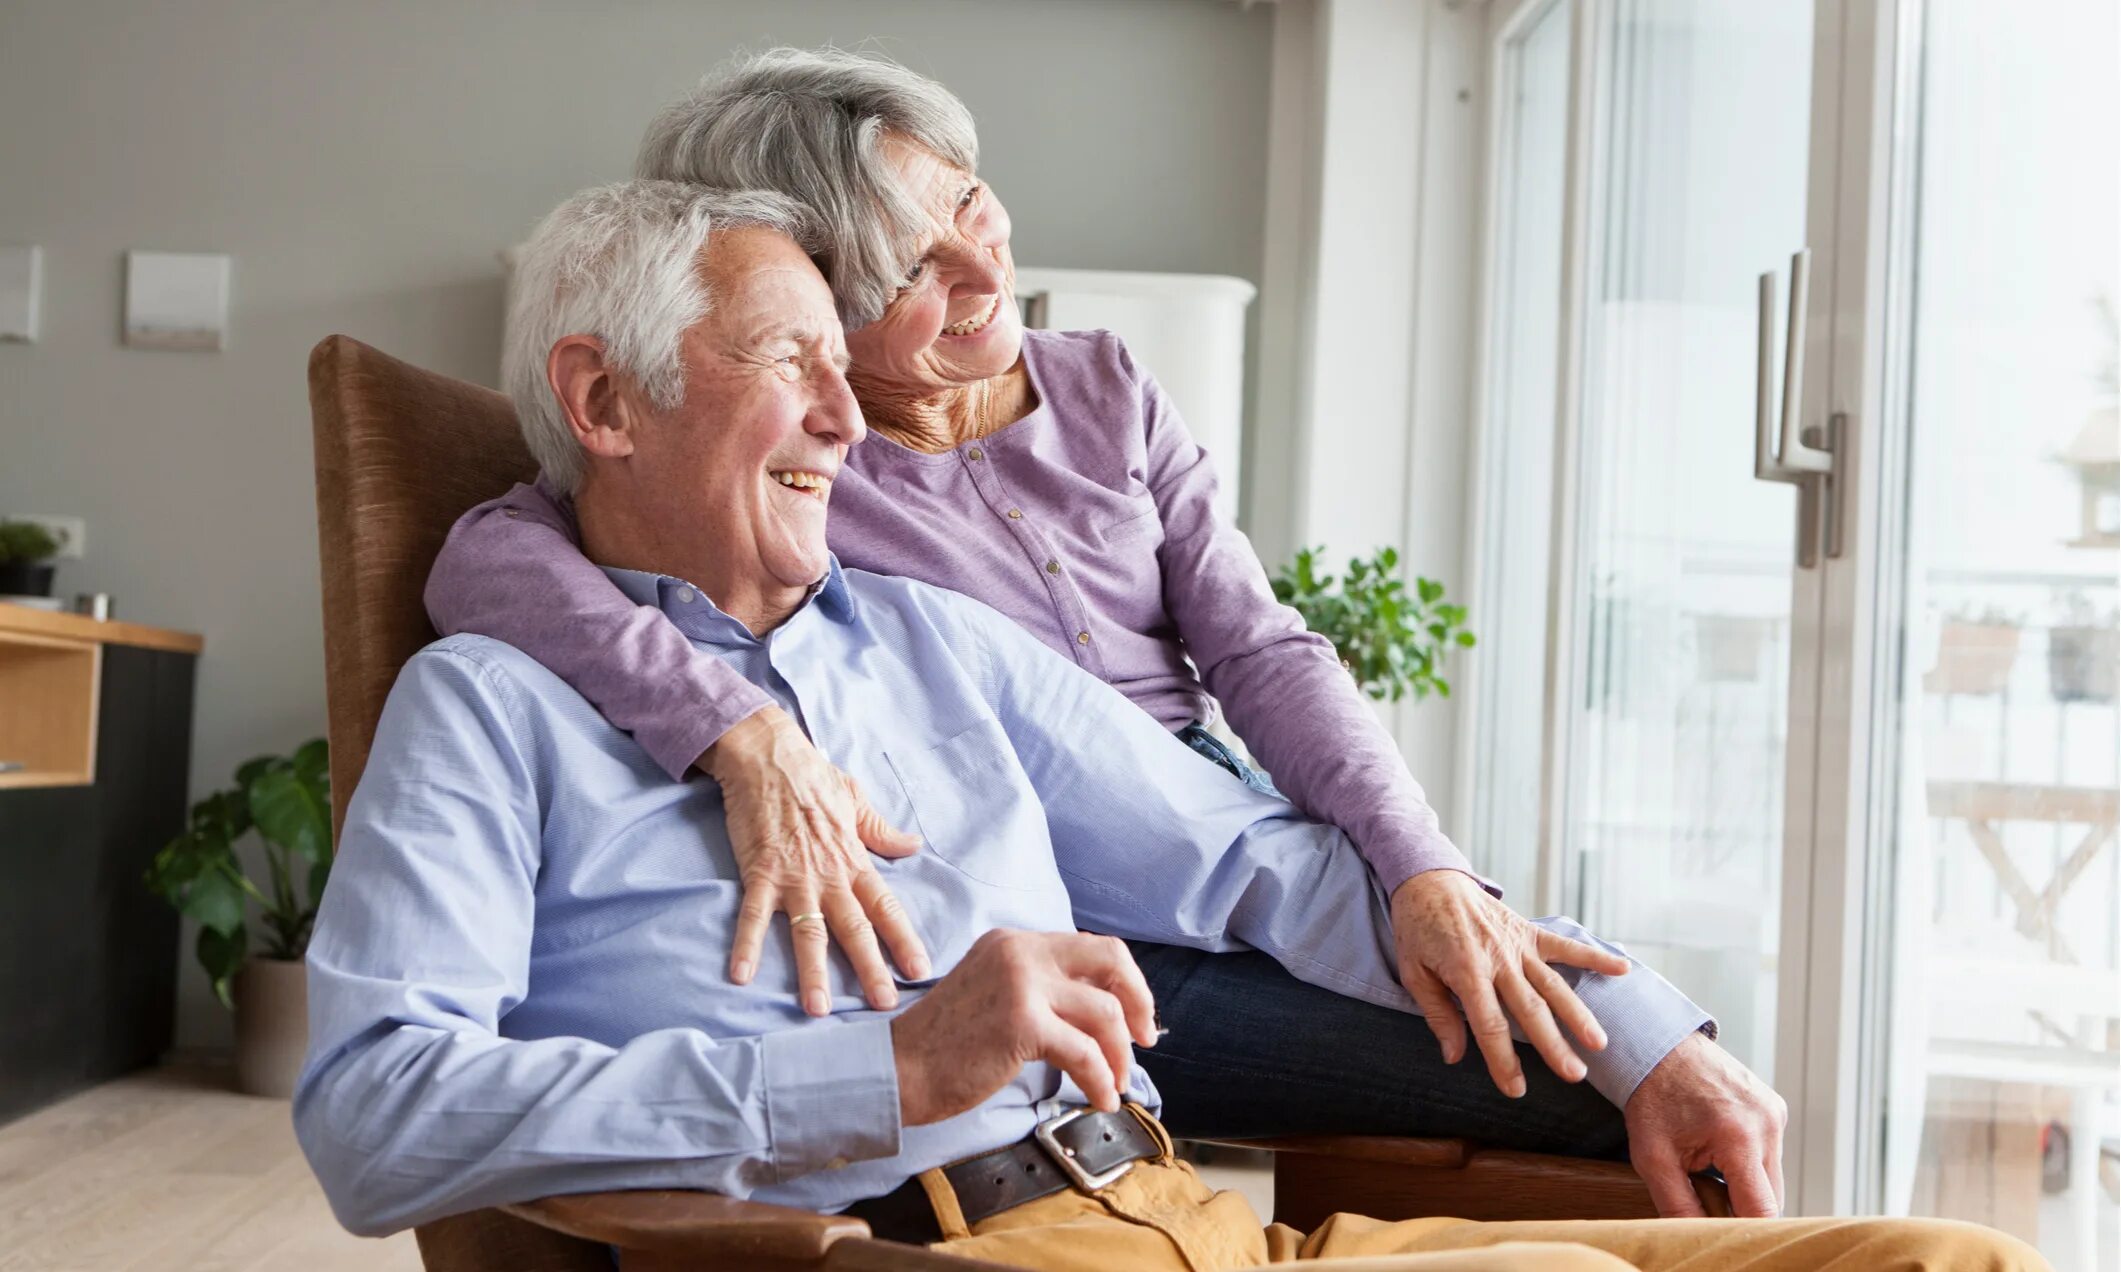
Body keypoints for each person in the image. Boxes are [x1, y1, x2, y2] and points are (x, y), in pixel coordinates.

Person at [297, 179, 2044, 1272]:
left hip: (1210, 1221)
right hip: (931, 1246)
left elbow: (1263, 868)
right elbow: (373, 1117)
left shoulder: (927, 643)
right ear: (603, 399)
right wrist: (887, 1071)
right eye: (792, 363)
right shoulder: (491, 708)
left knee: (1941, 1258)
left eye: (853, 357)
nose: (854, 415)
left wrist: (1641, 1034)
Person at [422, 48, 1782, 1205]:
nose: (982, 264)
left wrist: (1422, 870)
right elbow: (497, 553)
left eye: (970, 202)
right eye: (913, 265)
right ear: (811, 303)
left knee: (1595, 1020)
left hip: (1225, 832)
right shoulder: (793, 467)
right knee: (1567, 1076)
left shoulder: (1101, 386)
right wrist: (740, 733)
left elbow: (1259, 651)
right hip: (1089, 930)